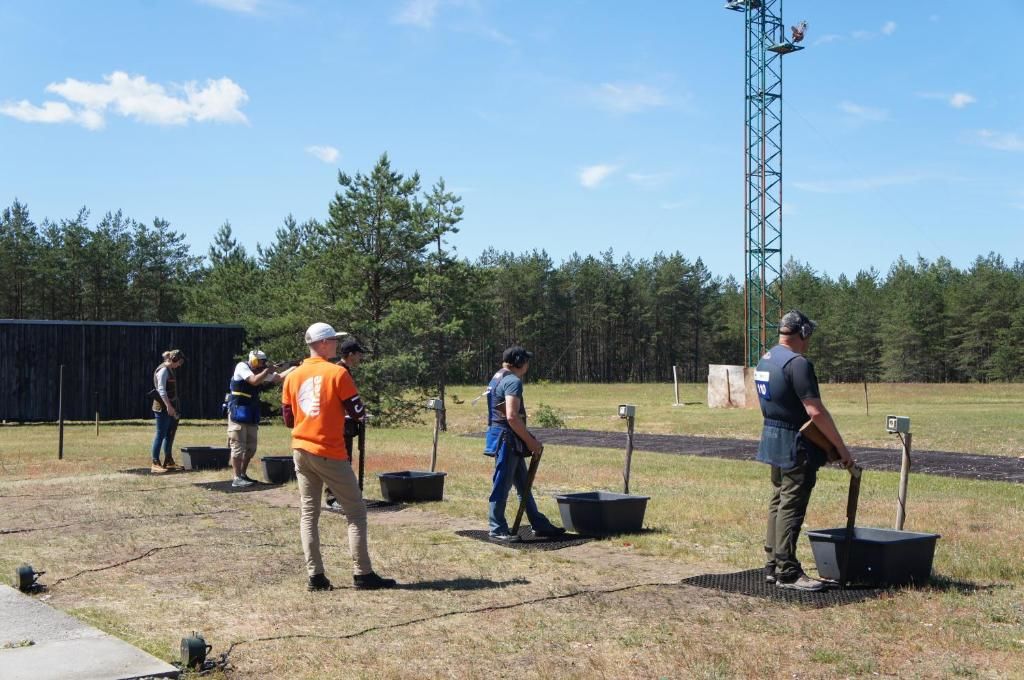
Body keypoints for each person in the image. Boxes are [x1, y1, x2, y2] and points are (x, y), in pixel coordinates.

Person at [281, 322, 396, 591]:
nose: (336, 345)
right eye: (332, 340)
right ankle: (363, 573)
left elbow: (288, 418)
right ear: (322, 344)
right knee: (356, 511)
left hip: (300, 448)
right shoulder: (337, 373)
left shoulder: (293, 376)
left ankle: (316, 577)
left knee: (309, 513)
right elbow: (357, 411)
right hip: (328, 450)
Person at [754, 310, 854, 591]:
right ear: (803, 334)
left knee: (778, 500)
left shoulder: (766, 359)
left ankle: (773, 564)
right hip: (795, 442)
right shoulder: (798, 364)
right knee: (791, 504)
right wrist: (840, 447)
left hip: (772, 435)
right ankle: (787, 570)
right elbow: (815, 412)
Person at [483, 345, 565, 542]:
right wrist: (531, 442)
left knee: (523, 485)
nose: (528, 364)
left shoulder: (498, 376)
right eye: (526, 360)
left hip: (507, 438)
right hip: (508, 439)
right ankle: (497, 529)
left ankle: (538, 523)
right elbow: (512, 416)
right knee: (502, 485)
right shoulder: (513, 381)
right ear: (519, 362)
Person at [226, 350, 296, 487]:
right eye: (258, 362)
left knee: (251, 448)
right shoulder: (242, 366)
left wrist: (293, 368)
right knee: (238, 447)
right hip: (238, 412)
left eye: (262, 362)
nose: (260, 365)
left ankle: (243, 475)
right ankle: (236, 477)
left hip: (250, 413)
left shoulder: (260, 372)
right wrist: (267, 370)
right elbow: (253, 381)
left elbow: (278, 378)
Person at [326, 337, 369, 509]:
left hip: (344, 422)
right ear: (350, 354)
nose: (360, 358)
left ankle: (340, 496)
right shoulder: (339, 370)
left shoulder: (344, 370)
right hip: (338, 423)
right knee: (339, 461)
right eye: (358, 354)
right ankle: (333, 497)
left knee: (345, 459)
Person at [151, 349, 185, 473]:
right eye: (179, 362)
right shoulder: (164, 370)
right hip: (162, 407)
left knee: (169, 434)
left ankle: (168, 461)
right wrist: (169, 406)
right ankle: (155, 462)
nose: (179, 365)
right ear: (174, 359)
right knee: (160, 434)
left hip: (171, 406)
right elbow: (161, 390)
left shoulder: (170, 368)